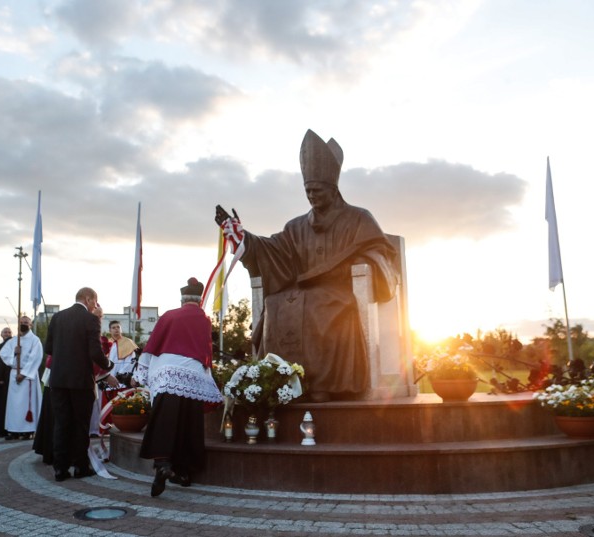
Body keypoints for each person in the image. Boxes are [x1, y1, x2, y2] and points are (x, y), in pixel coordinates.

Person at [214, 130, 398, 403]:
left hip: (339, 293)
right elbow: (274, 250)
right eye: (307, 191)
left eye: (317, 190)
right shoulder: (296, 226)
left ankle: (325, 385)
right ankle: (281, 382)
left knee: (322, 309)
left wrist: (357, 264)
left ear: (333, 189)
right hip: (299, 291)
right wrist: (244, 238)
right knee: (275, 305)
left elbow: (381, 252)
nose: (311, 195)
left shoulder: (359, 218)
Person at [136, 278, 223, 497]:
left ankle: (163, 464)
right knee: (189, 422)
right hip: (192, 374)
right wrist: (208, 375)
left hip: (167, 372)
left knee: (164, 419)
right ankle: (184, 473)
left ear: (182, 299)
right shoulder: (204, 319)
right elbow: (206, 350)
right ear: (199, 300)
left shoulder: (169, 315)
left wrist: (141, 371)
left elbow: (153, 342)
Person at [45, 287, 111, 481]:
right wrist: (108, 365)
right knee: (80, 425)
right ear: (88, 299)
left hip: (57, 379)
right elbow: (95, 352)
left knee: (61, 423)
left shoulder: (57, 318)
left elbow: (49, 347)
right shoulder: (91, 320)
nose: (95, 306)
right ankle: (80, 467)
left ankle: (60, 469)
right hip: (80, 380)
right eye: (95, 302)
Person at [0, 316, 43, 440]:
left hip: (27, 376)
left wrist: (23, 374)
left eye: (26, 323)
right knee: (14, 405)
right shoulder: (14, 340)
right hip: (14, 374)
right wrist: (14, 353)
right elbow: (3, 354)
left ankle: (27, 430)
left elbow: (36, 358)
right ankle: (14, 430)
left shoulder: (35, 340)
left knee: (26, 405)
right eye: (21, 322)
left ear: (30, 325)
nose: (23, 324)